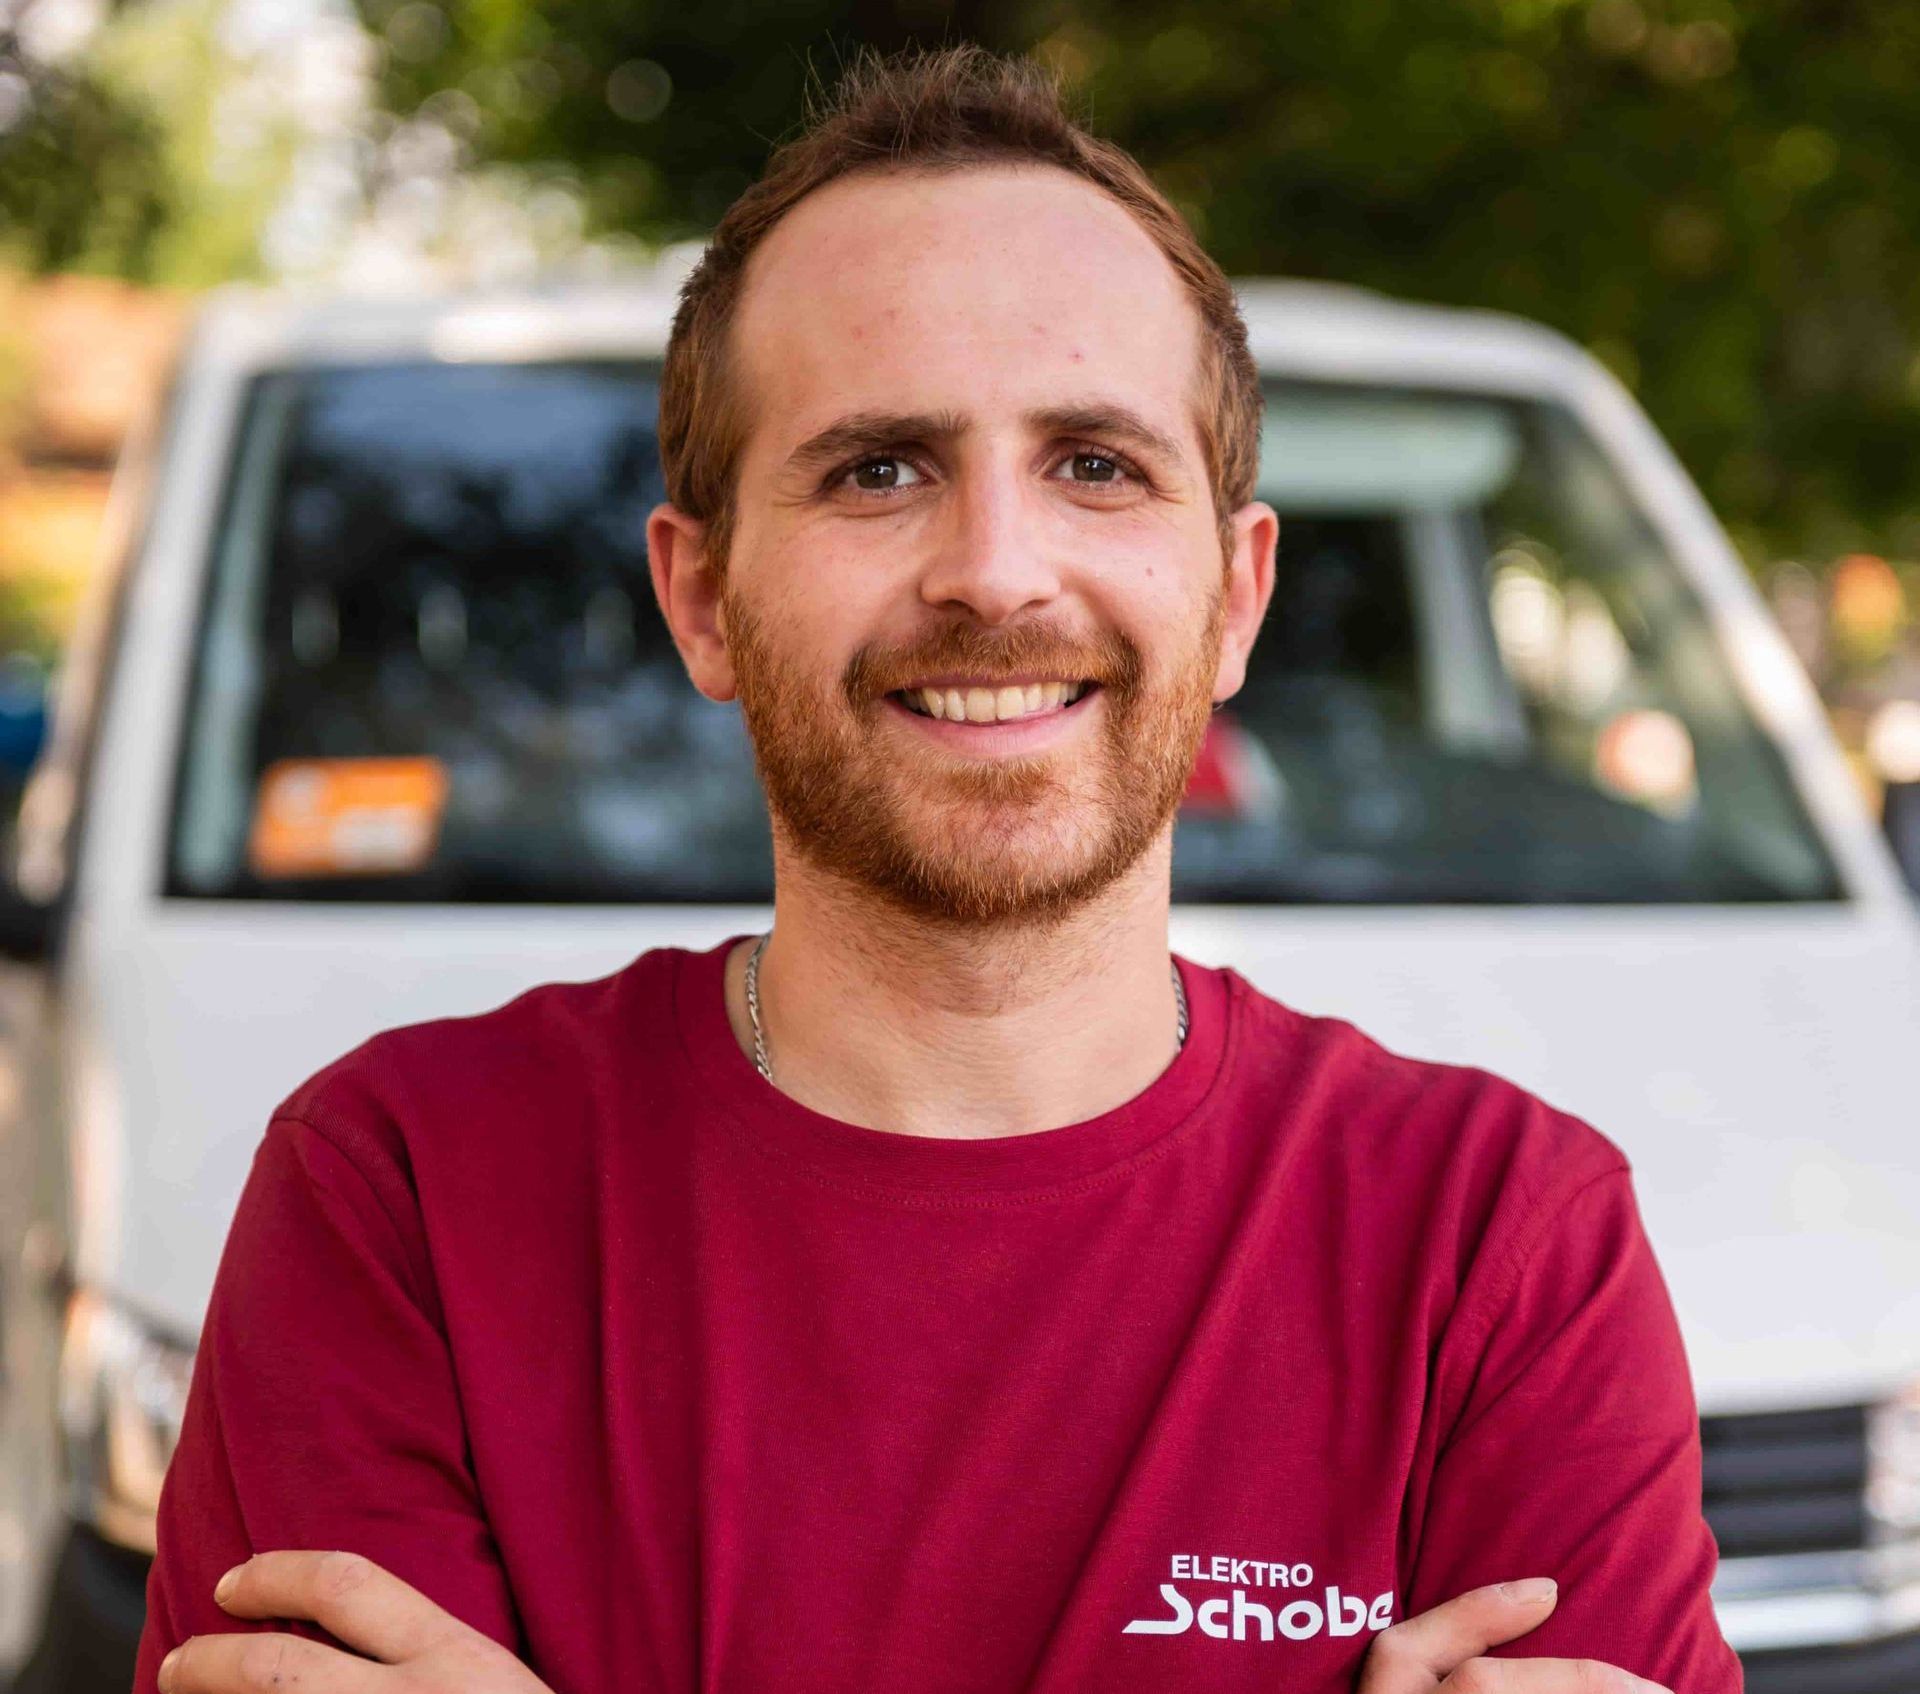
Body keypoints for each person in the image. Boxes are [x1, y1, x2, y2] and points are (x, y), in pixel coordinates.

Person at [136, 44, 1741, 1694]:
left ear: (1239, 591)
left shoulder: (1500, 1242)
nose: (993, 571)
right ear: (701, 599)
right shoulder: (400, 1196)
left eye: (1097, 465)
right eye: (878, 468)